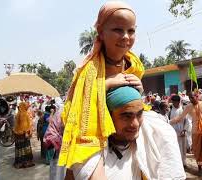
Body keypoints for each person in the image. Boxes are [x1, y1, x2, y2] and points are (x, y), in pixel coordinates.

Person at [59, 1, 145, 168]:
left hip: (129, 140)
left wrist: (139, 90)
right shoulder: (88, 70)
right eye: (118, 30)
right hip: (95, 141)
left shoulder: (134, 66)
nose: (126, 36)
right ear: (101, 32)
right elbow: (77, 106)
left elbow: (135, 106)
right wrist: (106, 84)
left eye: (131, 31)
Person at [69, 86, 186, 179]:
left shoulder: (150, 142)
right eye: (126, 116)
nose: (135, 124)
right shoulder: (88, 156)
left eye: (139, 114)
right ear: (108, 117)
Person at [170, 91, 202, 174]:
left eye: (193, 97)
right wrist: (169, 121)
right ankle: (199, 168)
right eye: (190, 97)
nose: (191, 99)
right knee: (197, 150)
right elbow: (180, 117)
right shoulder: (188, 106)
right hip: (195, 131)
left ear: (197, 96)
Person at [169, 94, 189, 168]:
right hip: (173, 132)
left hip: (181, 131)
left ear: (179, 102)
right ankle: (176, 163)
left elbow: (187, 121)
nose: (175, 103)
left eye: (176, 102)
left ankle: (184, 162)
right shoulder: (170, 110)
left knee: (183, 148)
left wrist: (184, 130)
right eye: (174, 102)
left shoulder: (183, 109)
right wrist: (172, 121)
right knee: (175, 148)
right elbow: (167, 120)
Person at [13, 102, 35, 168]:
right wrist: (26, 132)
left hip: (17, 134)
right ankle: (25, 162)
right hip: (23, 134)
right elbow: (24, 125)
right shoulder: (24, 114)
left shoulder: (18, 113)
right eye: (25, 106)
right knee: (25, 147)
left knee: (19, 148)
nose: (27, 106)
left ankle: (19, 162)